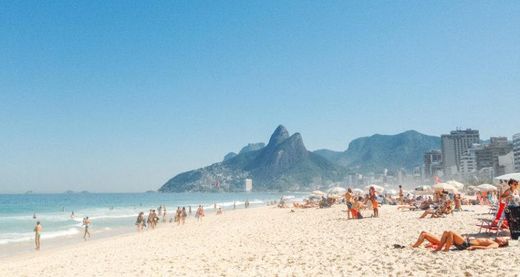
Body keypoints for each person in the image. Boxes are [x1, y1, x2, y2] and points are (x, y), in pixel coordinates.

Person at [411, 230, 509, 251]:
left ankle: (441, 249)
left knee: (450, 232)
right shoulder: (493, 240)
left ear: (502, 243)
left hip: (466, 244)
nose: (500, 237)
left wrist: (474, 247)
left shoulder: (495, 244)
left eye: (502, 239)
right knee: (446, 232)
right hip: (464, 242)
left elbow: (486, 248)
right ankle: (441, 248)